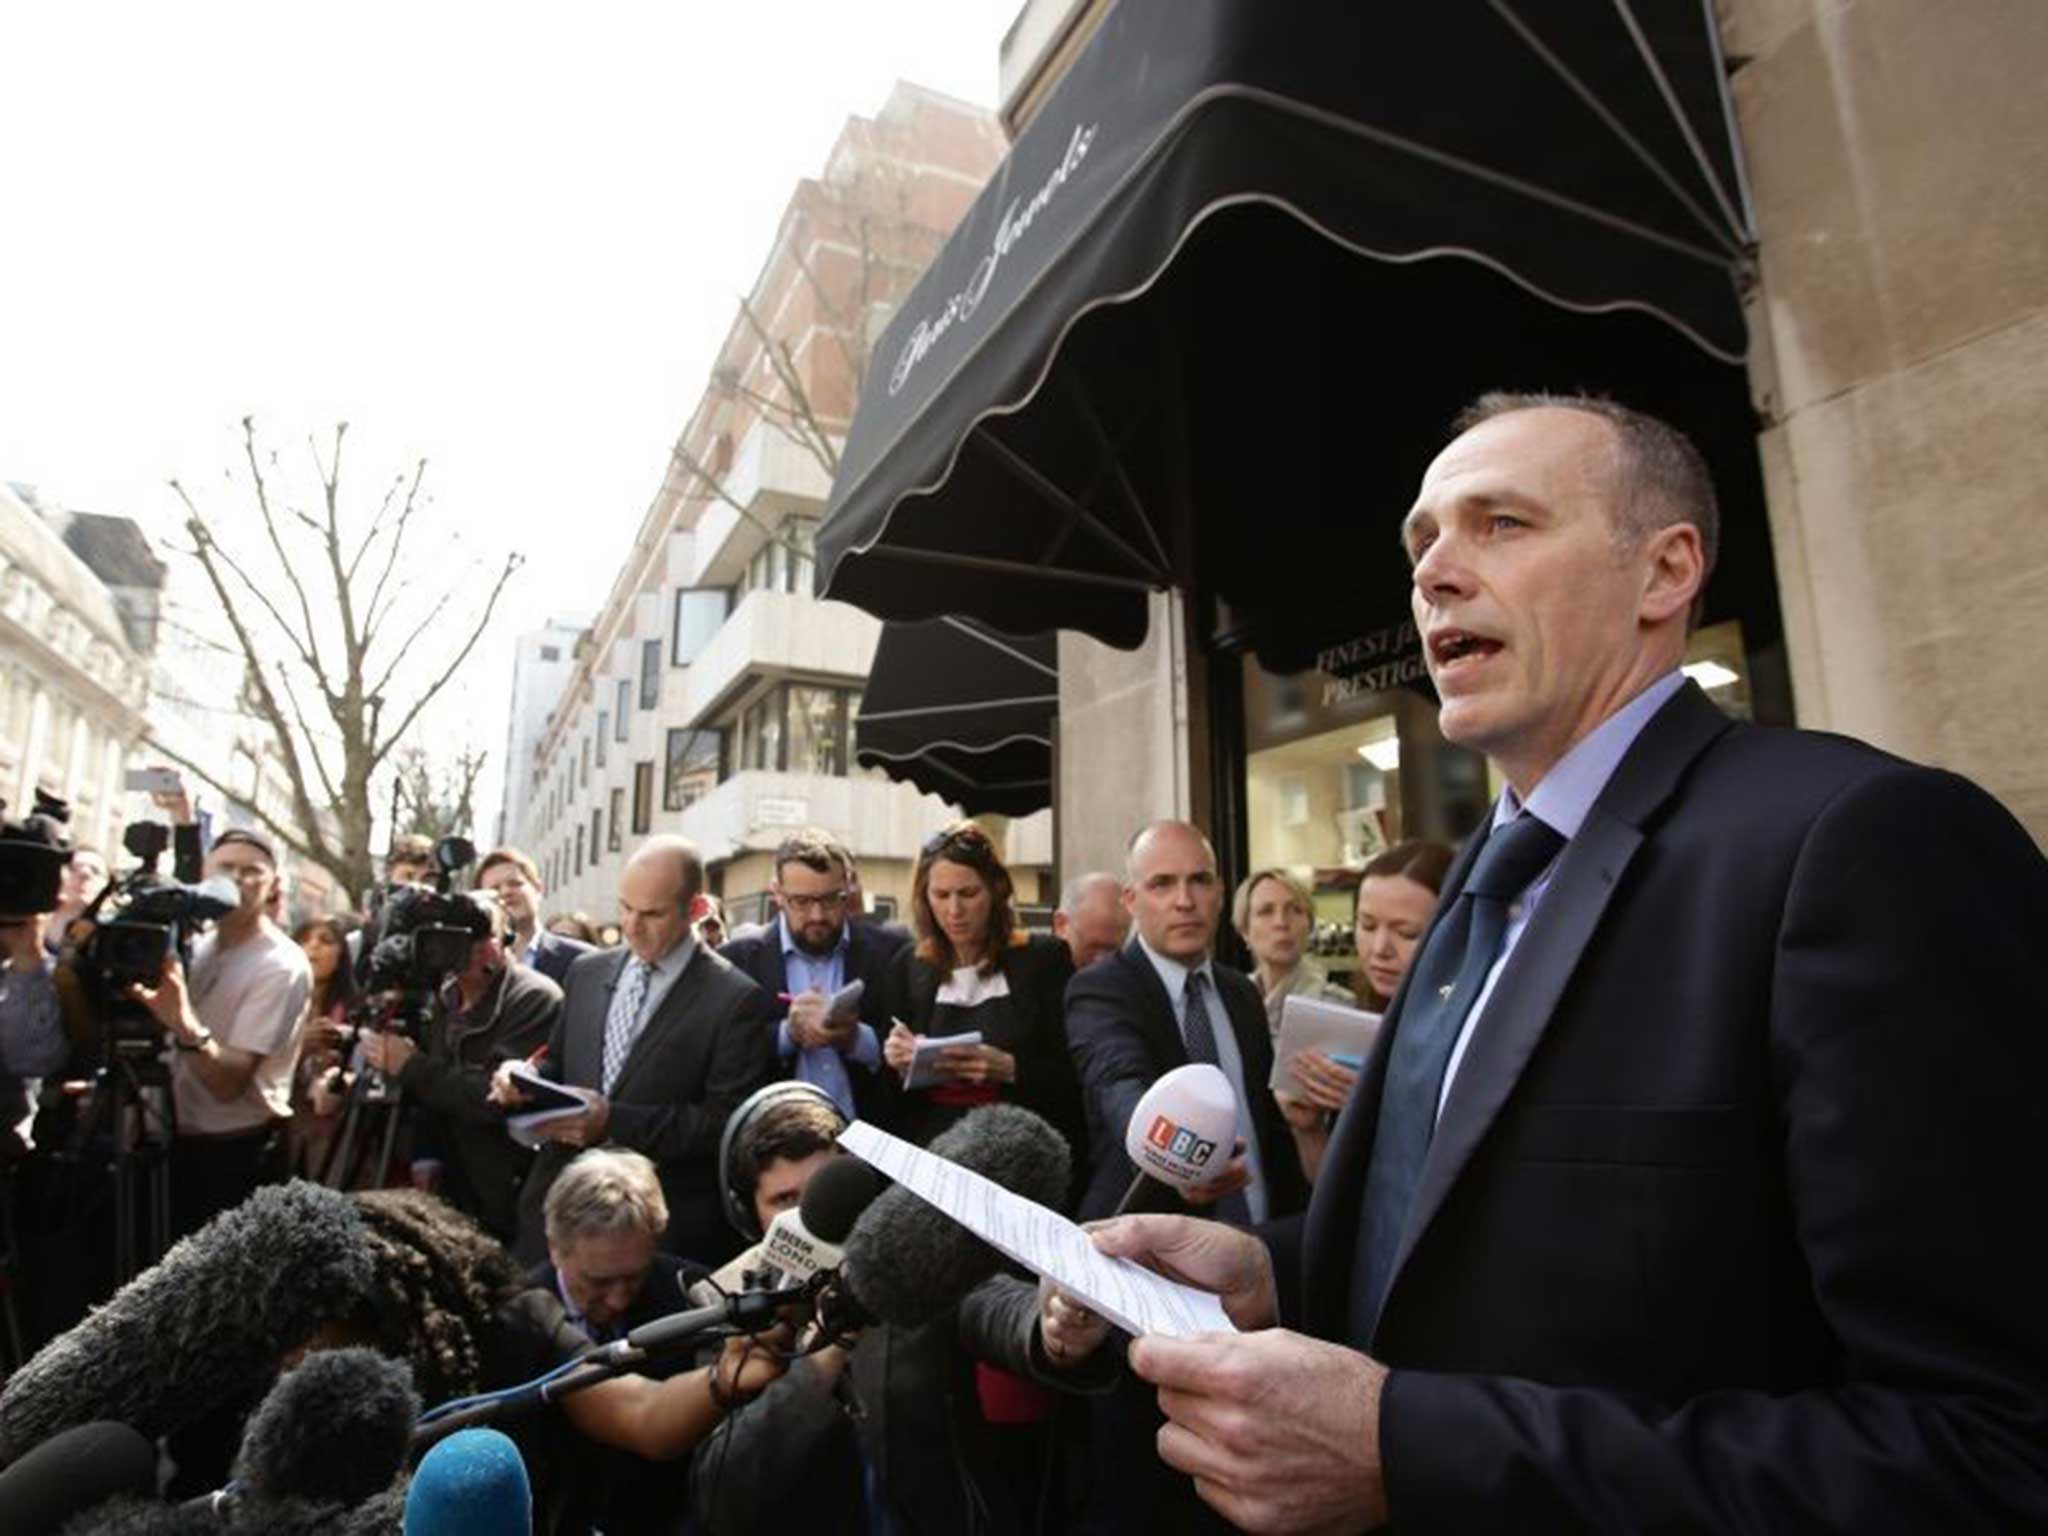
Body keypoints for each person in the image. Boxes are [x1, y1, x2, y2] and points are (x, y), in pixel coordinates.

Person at [1071, 393, 2048, 1531]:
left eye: (1500, 524)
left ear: (1664, 571)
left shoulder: (1860, 845)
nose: (1433, 570)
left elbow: (1989, 1452)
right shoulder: (1479, 876)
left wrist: (1409, 1450)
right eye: (1422, 540)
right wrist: (1272, 1274)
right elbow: (1461, 1236)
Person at [689, 1085, 1090, 1536]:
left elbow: (996, 1307)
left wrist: (1053, 1329)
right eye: (785, 1200)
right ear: (747, 1214)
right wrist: (829, 1349)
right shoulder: (721, 1303)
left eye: (824, 1192)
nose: (810, 1217)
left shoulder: (906, 1255)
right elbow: (726, 1492)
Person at [1061, 819, 1311, 1534]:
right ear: (1133, 899)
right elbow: (1116, 1083)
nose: (1184, 900)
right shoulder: (1100, 991)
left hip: (1256, 1278)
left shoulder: (1237, 993)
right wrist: (1174, 1153)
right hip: (1148, 1283)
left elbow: (1264, 1124)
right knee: (1146, 1494)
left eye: (1199, 881)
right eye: (1164, 885)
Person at [494, 836, 775, 1267]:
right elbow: (561, 1064)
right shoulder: (587, 972)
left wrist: (613, 1120)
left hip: (658, 1234)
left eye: (652, 914)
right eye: (625, 908)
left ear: (696, 909)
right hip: (555, 1221)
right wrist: (522, 1080)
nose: (631, 925)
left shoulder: (735, 999)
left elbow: (725, 1124)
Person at [128, 828, 312, 1237]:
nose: (238, 879)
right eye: (226, 868)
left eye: (252, 871)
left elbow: (228, 1084)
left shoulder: (281, 964)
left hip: (232, 1154)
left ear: (273, 885)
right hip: (166, 1139)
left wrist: (185, 1024)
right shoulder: (199, 944)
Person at [879, 821, 1085, 1165]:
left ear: (996, 891)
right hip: (934, 1154)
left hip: (1022, 1150)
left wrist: (1010, 1068)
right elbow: (888, 1100)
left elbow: (1075, 1076)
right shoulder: (909, 965)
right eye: (941, 896)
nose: (954, 911)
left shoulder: (1043, 960)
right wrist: (896, 1059)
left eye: (968, 894)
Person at [363, 893, 561, 1243]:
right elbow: (429, 1096)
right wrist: (425, 1156)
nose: (470, 949)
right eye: (456, 938)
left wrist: (409, 1064)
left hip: (505, 1187)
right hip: (453, 1180)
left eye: (482, 937)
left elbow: (492, 1097)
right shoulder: (443, 996)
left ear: (507, 941)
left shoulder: (534, 996)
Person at [531, 1148, 701, 1535]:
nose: (619, 1298)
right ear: (556, 1248)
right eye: (600, 1282)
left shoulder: (692, 1298)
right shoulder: (518, 1318)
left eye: (634, 1278)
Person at [1275, 842, 1451, 1181]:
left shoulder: (1468, 1032)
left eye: (1406, 933)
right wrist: (1308, 1130)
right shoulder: (1360, 1020)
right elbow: (1339, 1195)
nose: (1381, 949)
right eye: (1368, 926)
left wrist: (1382, 1107)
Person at [719, 829, 906, 1124]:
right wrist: (786, 1035)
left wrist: (857, 1039)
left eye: (831, 899)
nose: (817, 915)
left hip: (867, 1142)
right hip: (775, 1143)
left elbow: (910, 1050)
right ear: (777, 894)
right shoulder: (738, 962)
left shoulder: (890, 954)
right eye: (802, 902)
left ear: (848, 888)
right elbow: (726, 1061)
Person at [1231, 866, 1352, 1035]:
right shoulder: (1230, 1001)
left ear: (1309, 926)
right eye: (1266, 911)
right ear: (1245, 931)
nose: (1281, 922)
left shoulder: (1337, 1009)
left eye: (1295, 910)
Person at [284, 915, 358, 1179]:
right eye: (304, 940)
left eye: (325, 941)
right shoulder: (277, 1001)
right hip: (284, 1127)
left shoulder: (354, 1008)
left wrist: (341, 1078)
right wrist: (299, 1044)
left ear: (341, 957)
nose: (313, 947)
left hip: (335, 1133)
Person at [478, 847, 593, 986]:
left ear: (538, 889)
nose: (505, 892)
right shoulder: (471, 965)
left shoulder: (581, 959)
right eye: (494, 889)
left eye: (515, 884)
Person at [1051, 870, 1127, 972]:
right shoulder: (1032, 972)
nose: (1101, 960)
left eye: (1111, 950)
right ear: (1061, 924)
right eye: (1093, 947)